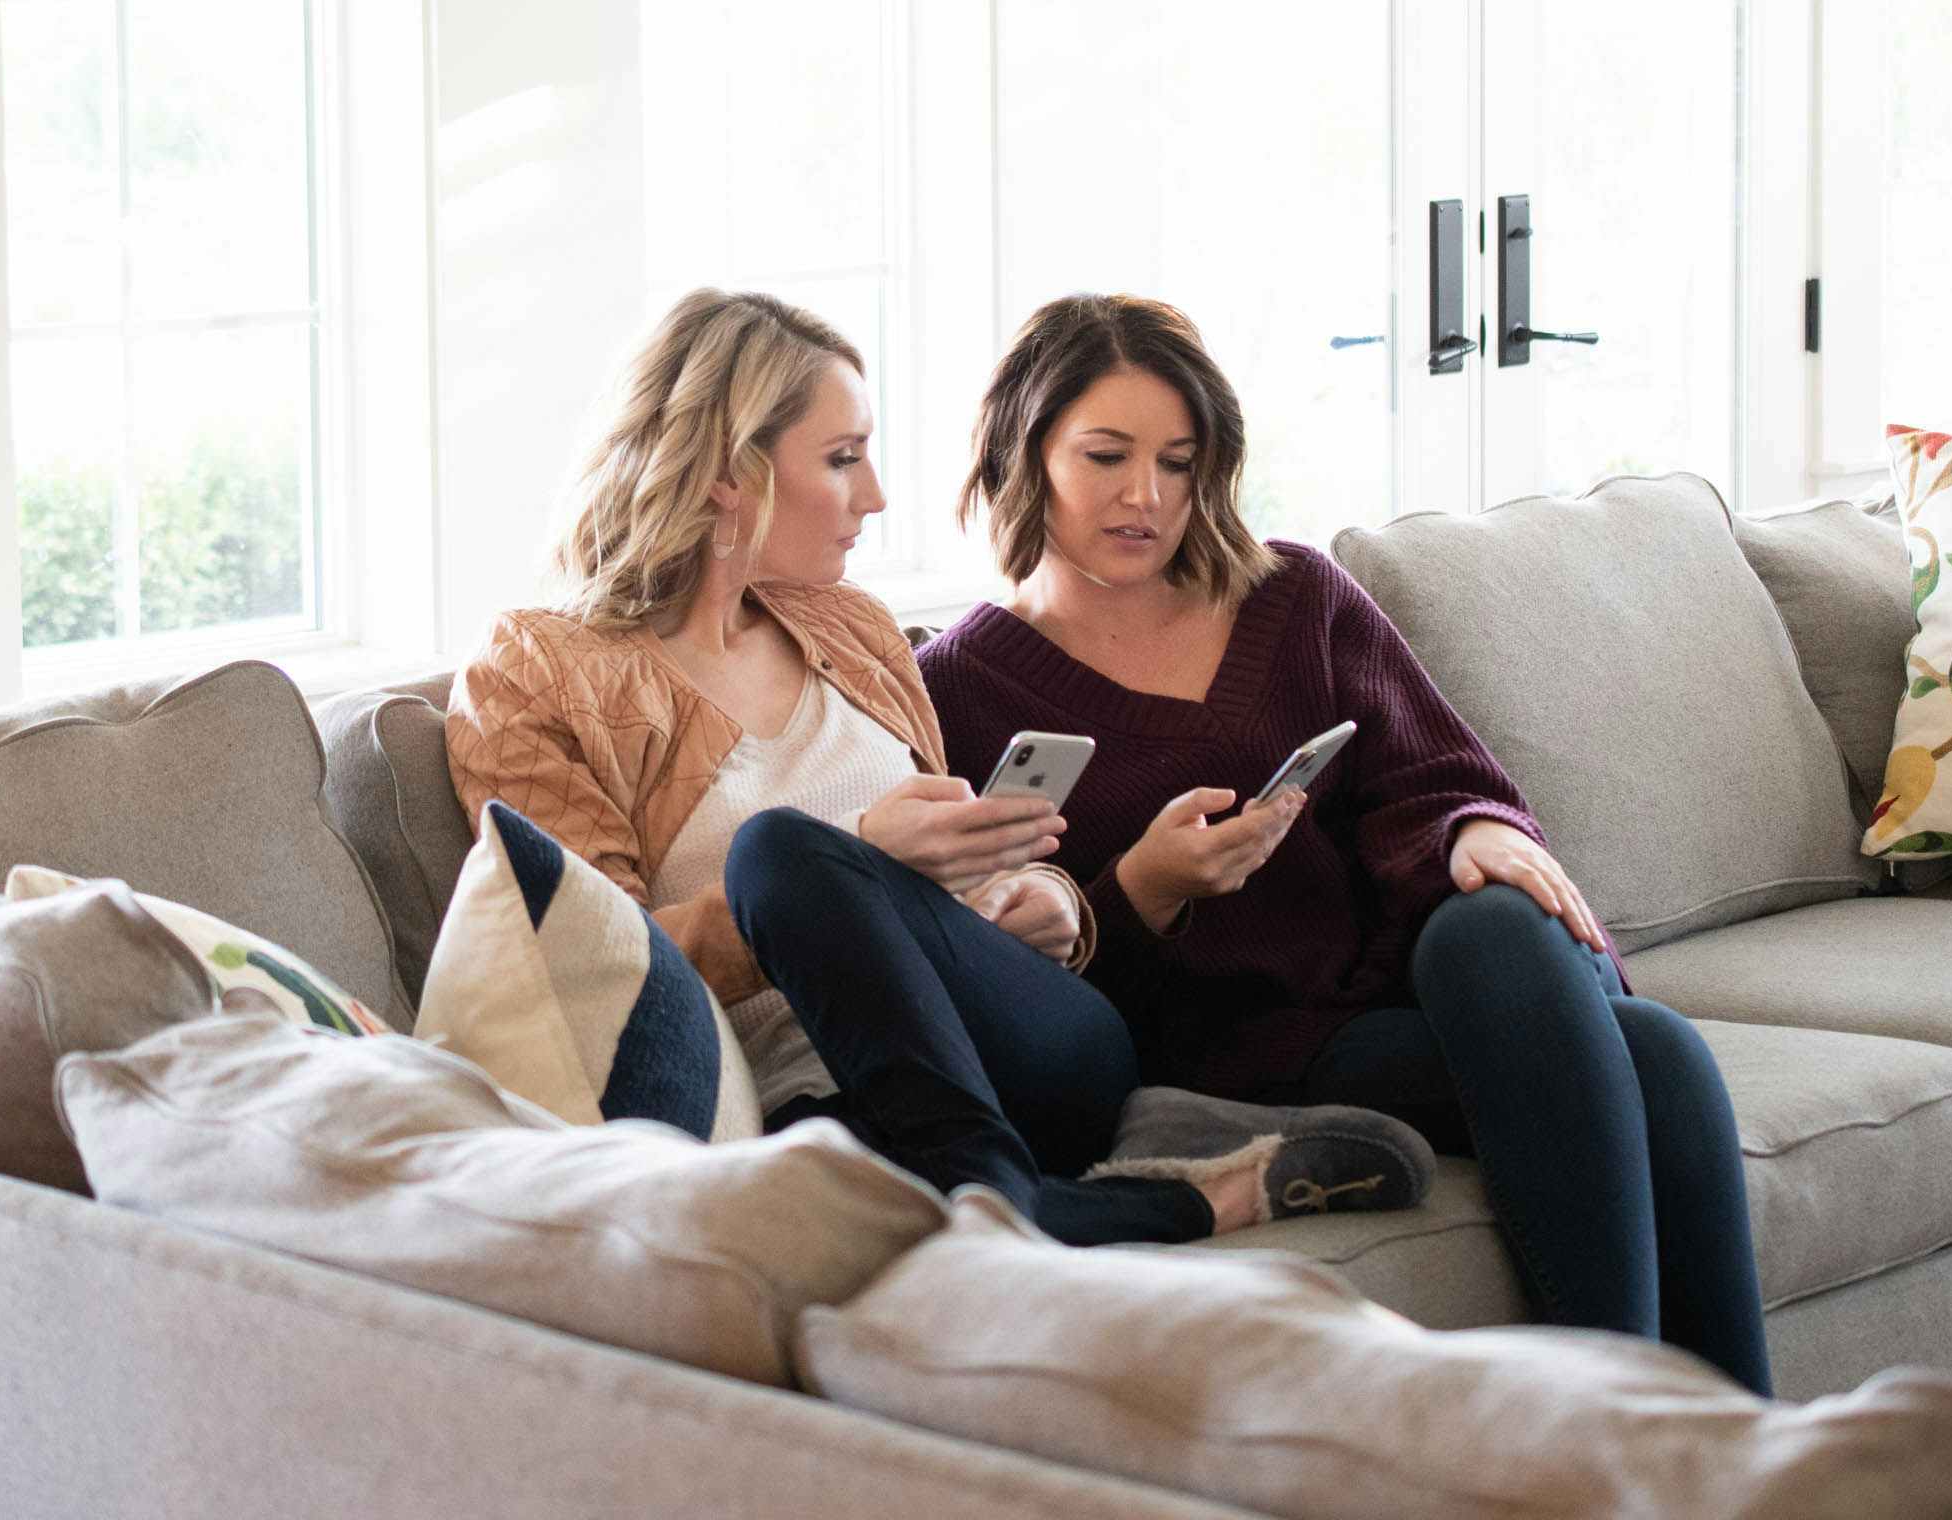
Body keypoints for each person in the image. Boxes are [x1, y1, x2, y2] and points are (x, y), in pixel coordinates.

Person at [444, 287, 1432, 1248]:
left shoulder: (857, 630)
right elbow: (598, 961)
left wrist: (1047, 899)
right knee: (782, 867)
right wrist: (862, 852)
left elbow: (977, 858)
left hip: (1037, 1051)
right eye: (841, 459)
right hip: (818, 1103)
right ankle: (1080, 1202)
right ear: (724, 474)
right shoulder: (539, 674)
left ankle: (1012, 1202)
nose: (873, 495)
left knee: (784, 855)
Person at [916, 292, 1772, 1390]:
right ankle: (1649, 1435)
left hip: (1402, 984)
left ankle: (1656, 1443)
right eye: (1107, 455)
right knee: (1659, 1056)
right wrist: (1141, 889)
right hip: (1234, 1050)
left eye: (1179, 462)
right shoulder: (956, 689)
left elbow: (1436, 777)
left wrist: (1474, 833)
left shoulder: (1295, 594)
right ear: (1021, 451)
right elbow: (1010, 987)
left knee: (1495, 932)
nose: (1146, 495)